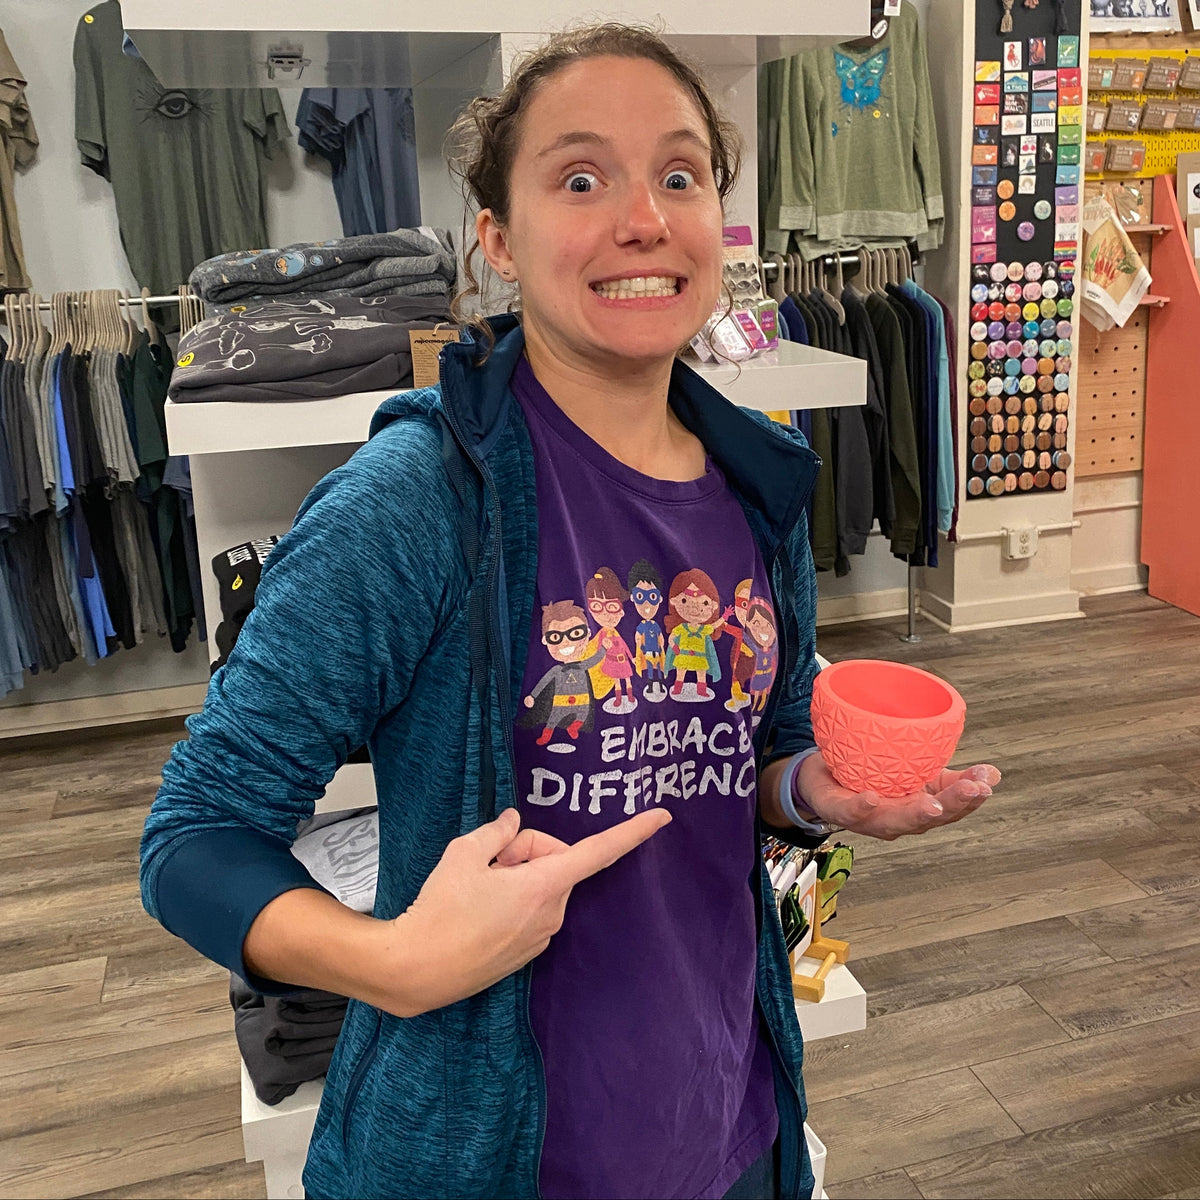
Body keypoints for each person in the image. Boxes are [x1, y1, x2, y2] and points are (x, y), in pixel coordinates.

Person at [139, 24, 999, 1200]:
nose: (643, 218)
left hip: (728, 1119)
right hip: (485, 1155)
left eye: (681, 174)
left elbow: (753, 754)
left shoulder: (762, 484)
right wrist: (390, 962)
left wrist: (812, 792)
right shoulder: (415, 505)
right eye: (581, 178)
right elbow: (192, 837)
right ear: (497, 239)